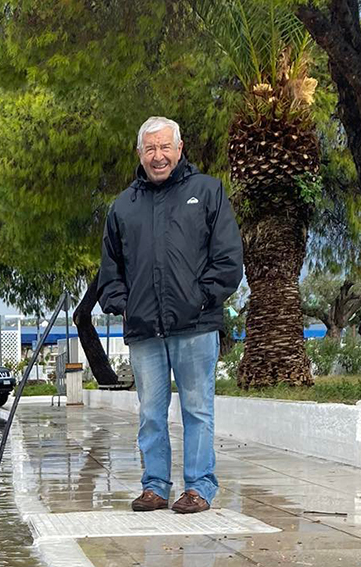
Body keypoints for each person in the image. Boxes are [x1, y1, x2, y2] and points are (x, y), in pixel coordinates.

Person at [98, 116, 243, 514]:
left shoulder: (208, 192)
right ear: (140, 153)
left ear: (180, 149)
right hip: (144, 330)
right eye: (151, 149)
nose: (158, 156)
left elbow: (228, 258)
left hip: (196, 327)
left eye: (165, 147)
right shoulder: (123, 206)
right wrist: (122, 304)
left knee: (198, 409)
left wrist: (201, 299)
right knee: (150, 414)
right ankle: (155, 487)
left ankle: (199, 488)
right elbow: (110, 270)